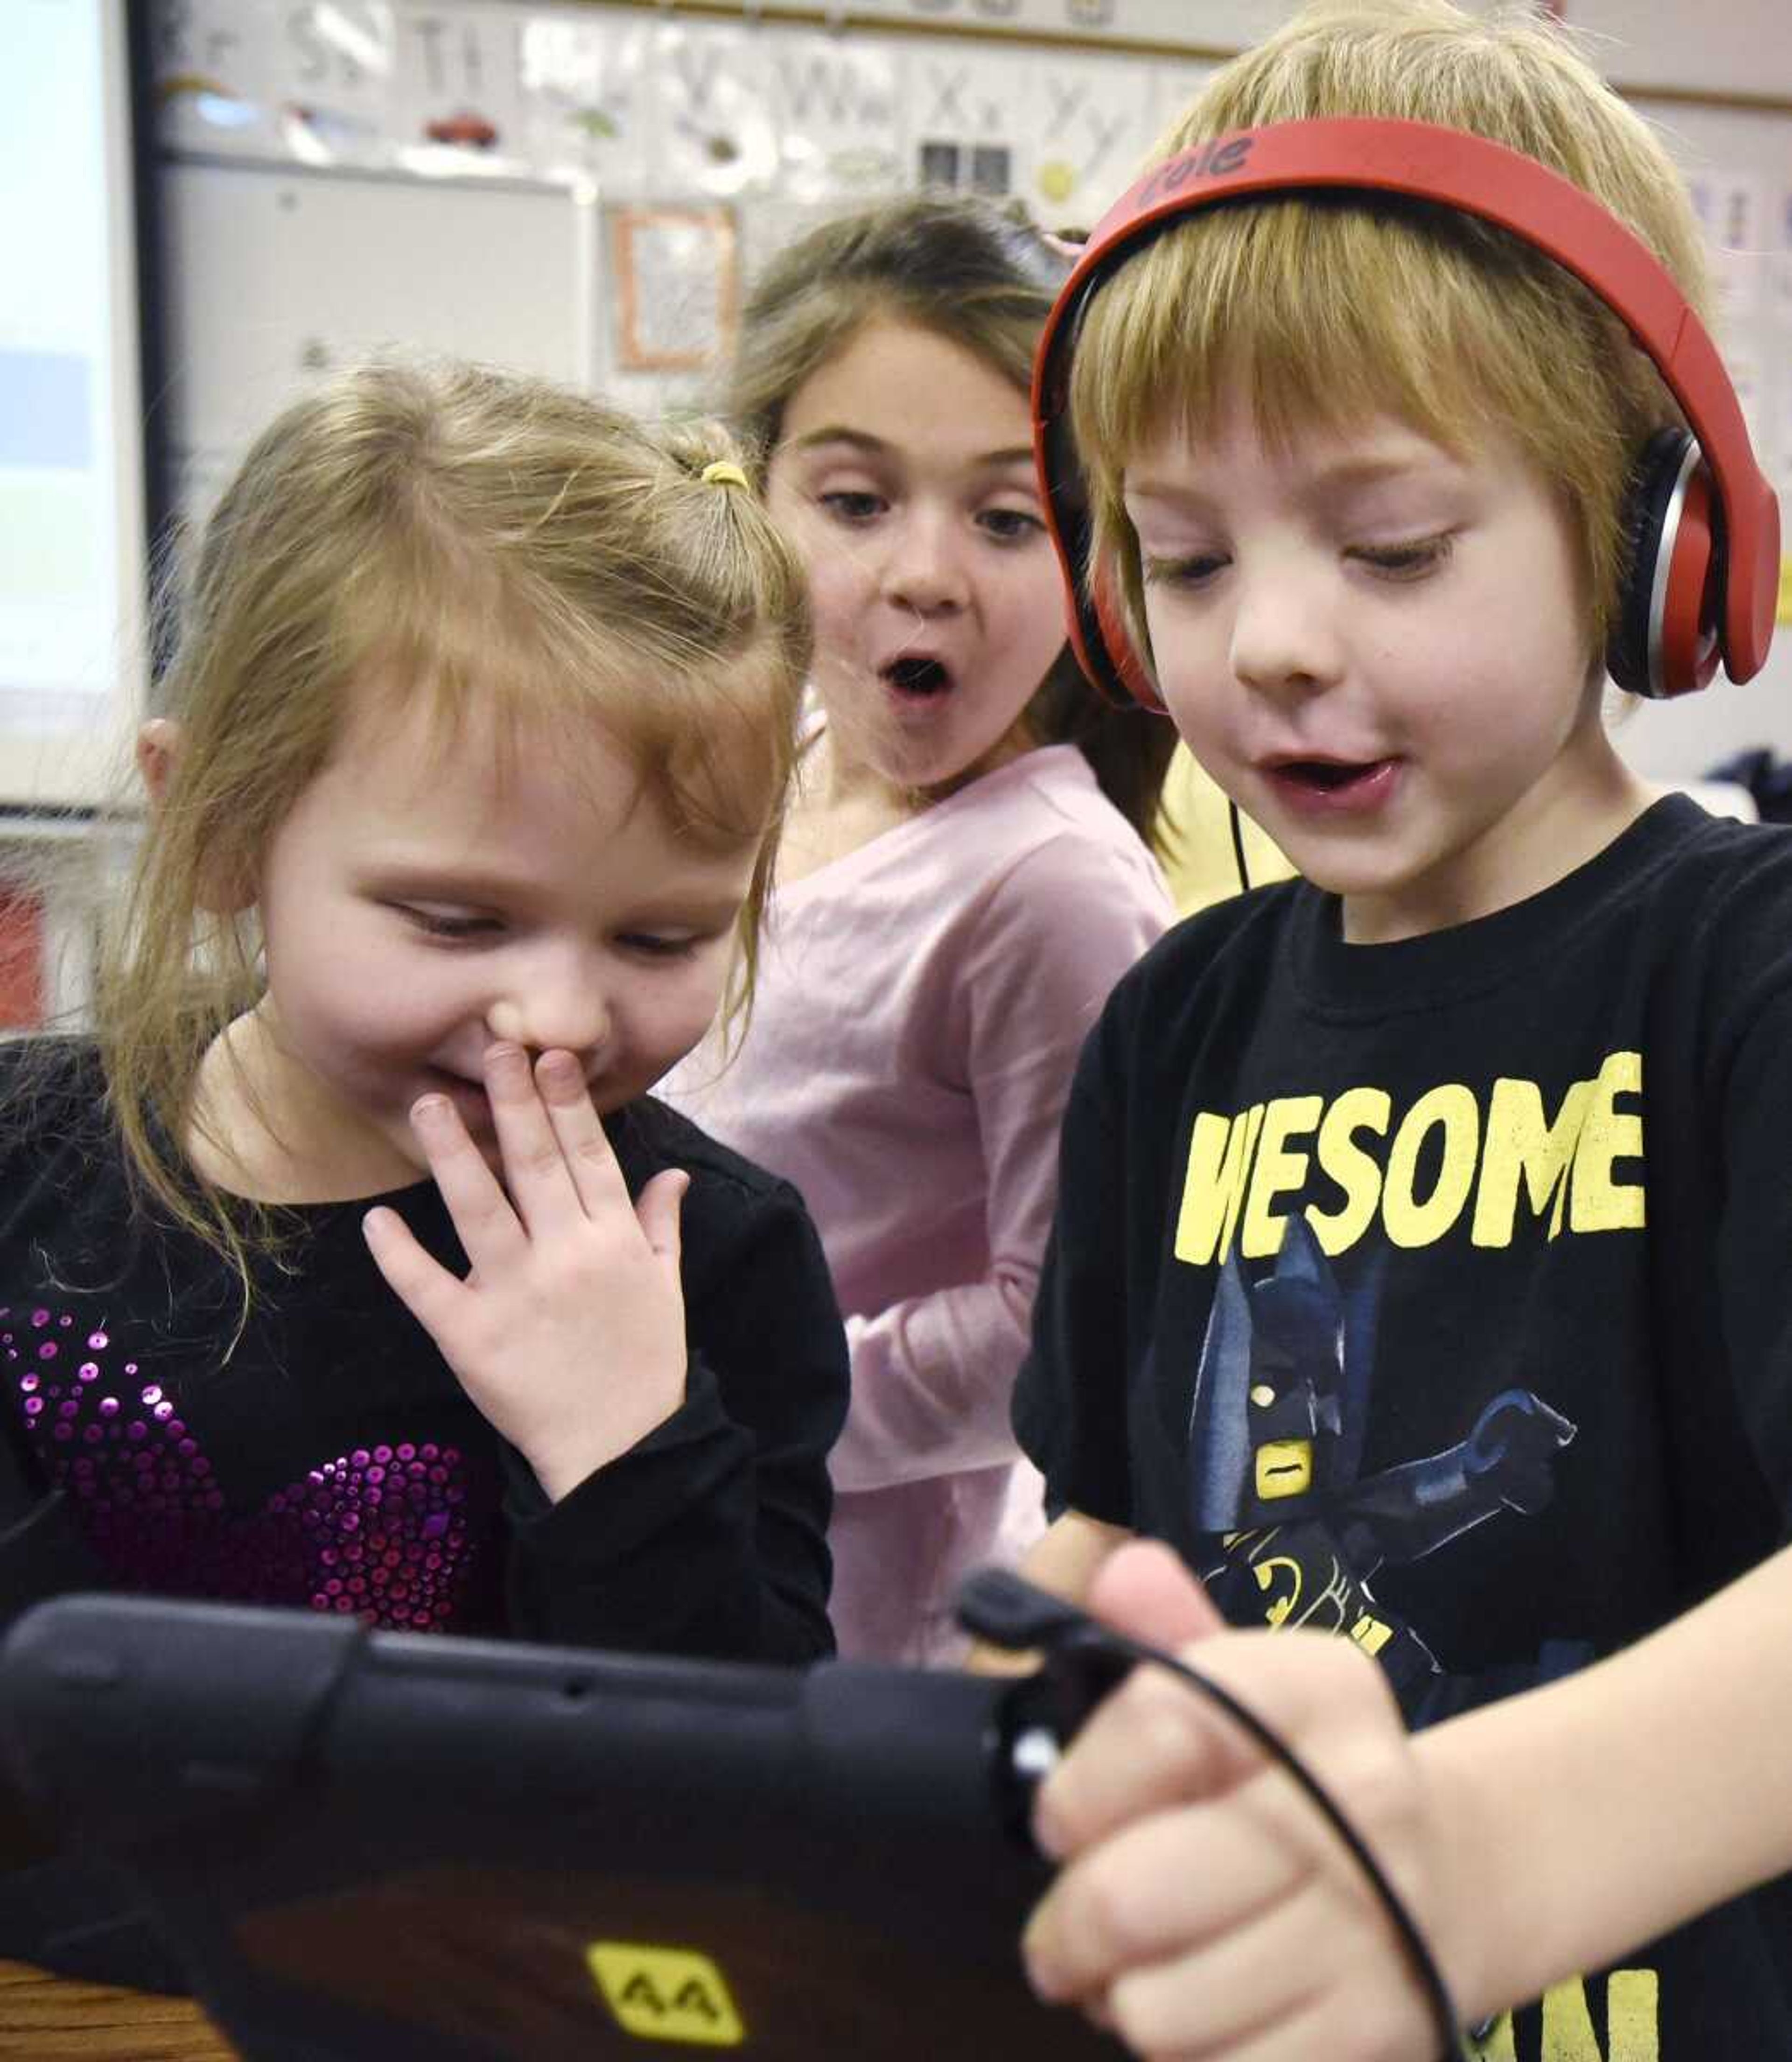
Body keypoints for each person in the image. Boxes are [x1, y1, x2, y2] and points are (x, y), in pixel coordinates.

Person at [1006, 0, 1786, 2050]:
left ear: (1649, 543)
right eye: (1183, 557)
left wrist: (1466, 1864)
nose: (1268, 637)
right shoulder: (1174, 1026)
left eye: (1394, 546)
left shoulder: (1745, 974)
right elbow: (1101, 1536)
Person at [0, 358, 847, 1666]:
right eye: (459, 921)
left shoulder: (713, 1261)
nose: (558, 1016)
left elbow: (728, 1784)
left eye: (663, 934)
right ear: (224, 826)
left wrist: (625, 1444)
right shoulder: (27, 1160)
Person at [660, 196, 1175, 1664]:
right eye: (856, 502)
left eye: (1008, 518)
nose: (928, 572)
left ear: (1089, 558)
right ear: (751, 496)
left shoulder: (1053, 885)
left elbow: (1058, 1331)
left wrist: (717, 1404)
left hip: (861, 1631)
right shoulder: (772, 758)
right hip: (662, 1528)